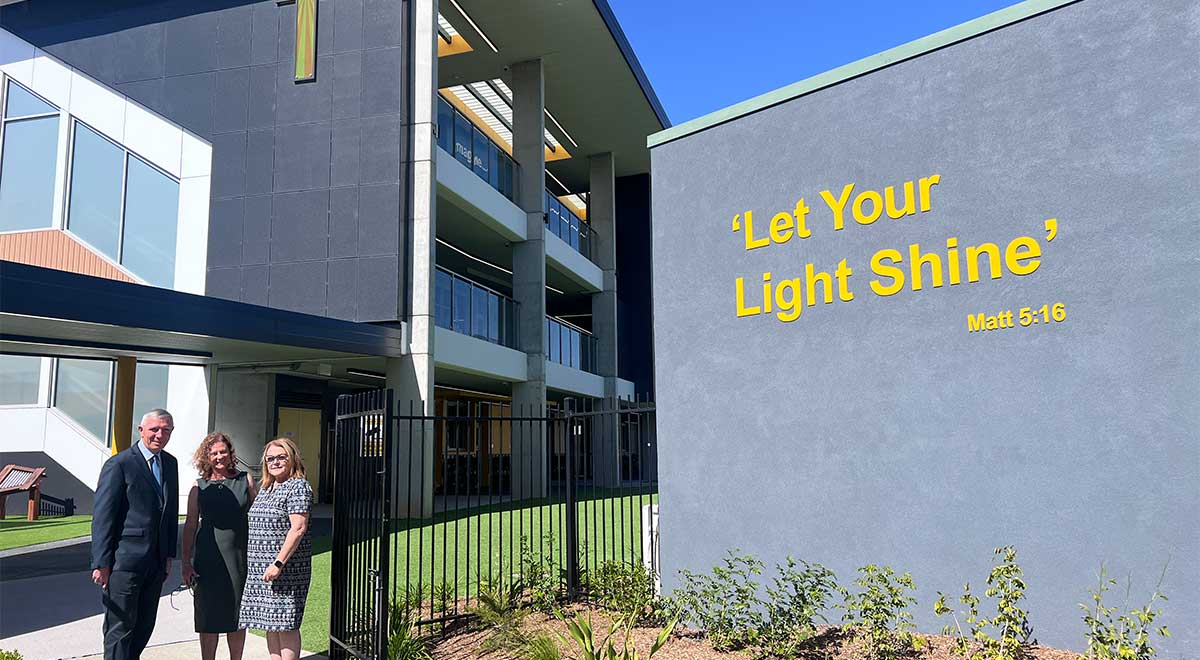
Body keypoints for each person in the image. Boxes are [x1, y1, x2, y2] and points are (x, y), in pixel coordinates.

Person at [91, 408, 179, 660]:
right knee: (120, 628)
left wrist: (168, 556)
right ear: (141, 430)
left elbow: (169, 513)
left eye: (166, 430)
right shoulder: (119, 464)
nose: (160, 435)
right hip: (124, 563)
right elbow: (103, 517)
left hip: (155, 564)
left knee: (144, 626)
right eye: (154, 429)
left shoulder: (169, 463)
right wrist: (101, 562)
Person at [181, 432, 256, 660]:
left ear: (230, 453)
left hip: (239, 557)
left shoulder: (246, 480)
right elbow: (191, 525)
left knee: (237, 616)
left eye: (223, 451)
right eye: (213, 453)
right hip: (207, 558)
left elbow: (258, 517)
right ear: (206, 457)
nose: (219, 457)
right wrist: (186, 562)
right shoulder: (198, 486)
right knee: (207, 617)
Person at [239, 437, 313, 660]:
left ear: (292, 459)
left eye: (282, 457)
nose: (275, 462)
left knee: (286, 624)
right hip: (262, 570)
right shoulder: (268, 486)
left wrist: (278, 563)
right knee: (270, 623)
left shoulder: (298, 486)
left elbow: (298, 528)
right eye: (271, 458)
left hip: (285, 569)